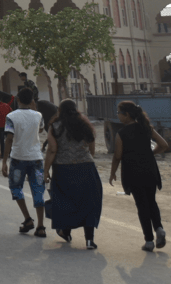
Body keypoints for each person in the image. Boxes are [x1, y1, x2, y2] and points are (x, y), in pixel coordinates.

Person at [109, 101, 169, 251]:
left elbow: (117, 156)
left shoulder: (121, 133)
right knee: (151, 201)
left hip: (133, 171)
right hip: (150, 169)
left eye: (119, 113)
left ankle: (149, 241)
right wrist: (150, 153)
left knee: (142, 205)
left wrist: (112, 173)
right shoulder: (146, 128)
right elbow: (164, 145)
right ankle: (159, 229)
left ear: (126, 115)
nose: (118, 115)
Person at [43, 99, 102, 250]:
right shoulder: (85, 125)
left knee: (65, 202)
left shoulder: (55, 127)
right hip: (86, 168)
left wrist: (46, 171)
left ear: (60, 111)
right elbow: (92, 146)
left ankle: (65, 232)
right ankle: (89, 240)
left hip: (63, 170)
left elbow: (52, 150)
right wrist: (86, 159)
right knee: (88, 202)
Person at [1, 88, 47, 238]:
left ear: (17, 100)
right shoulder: (38, 115)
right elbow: (40, 130)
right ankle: (40, 226)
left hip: (18, 158)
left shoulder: (11, 116)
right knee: (38, 190)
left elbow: (9, 138)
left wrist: (4, 161)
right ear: (32, 101)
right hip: (36, 158)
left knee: (16, 188)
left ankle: (27, 218)